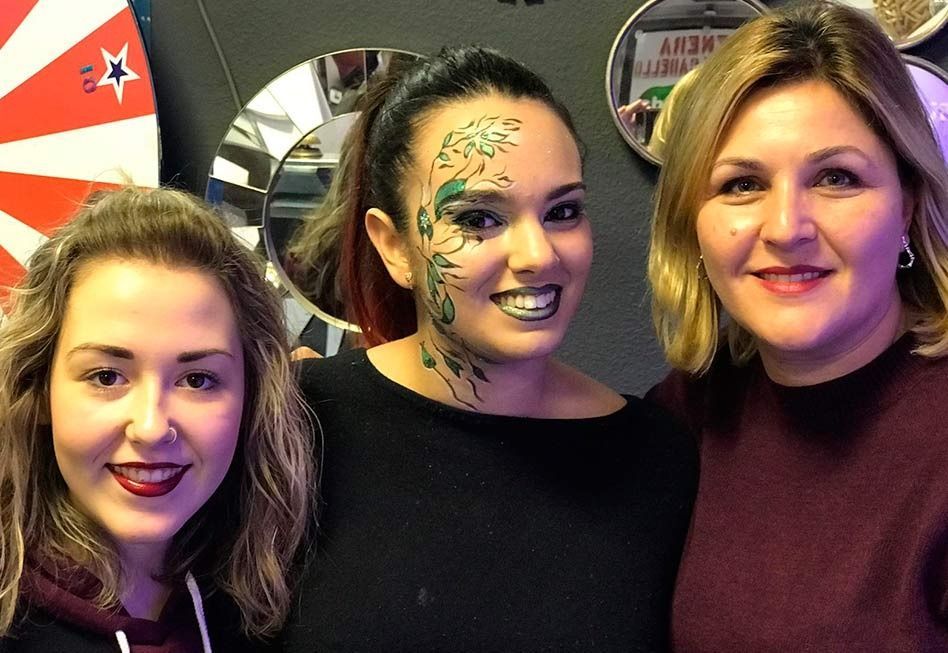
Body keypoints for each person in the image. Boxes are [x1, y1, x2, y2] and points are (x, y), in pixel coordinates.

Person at [282, 46, 698, 651]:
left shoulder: (658, 459)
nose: (538, 256)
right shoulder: (299, 428)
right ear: (394, 246)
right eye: (478, 219)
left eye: (563, 211)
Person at [646, 2, 948, 649]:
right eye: (741, 184)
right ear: (692, 223)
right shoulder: (687, 413)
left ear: (907, 206)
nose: (787, 228)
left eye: (836, 178)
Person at [0, 187, 314, 652]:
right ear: (39, 389)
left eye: (198, 380)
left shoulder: (277, 598)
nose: (150, 428)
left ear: (253, 399)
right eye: (107, 376)